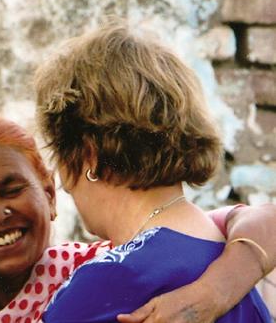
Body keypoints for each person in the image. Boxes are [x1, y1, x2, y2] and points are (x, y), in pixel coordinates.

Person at [34, 22, 273, 322]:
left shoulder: (107, 281)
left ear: (88, 155)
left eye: (57, 153)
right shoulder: (228, 251)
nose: (63, 184)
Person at [0, 116, 276, 323]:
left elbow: (266, 220)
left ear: (51, 195)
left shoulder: (115, 266)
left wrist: (212, 292)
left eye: (12, 190)